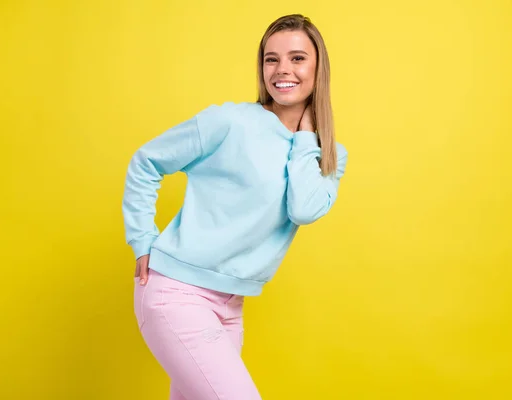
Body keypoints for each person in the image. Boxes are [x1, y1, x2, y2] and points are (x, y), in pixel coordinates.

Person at [122, 13, 348, 400]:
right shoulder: (230, 121)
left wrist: (306, 137)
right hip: (177, 294)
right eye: (271, 59)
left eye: (297, 58)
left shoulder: (328, 155)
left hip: (230, 306)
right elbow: (146, 162)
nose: (282, 70)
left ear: (318, 68)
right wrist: (142, 239)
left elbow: (304, 209)